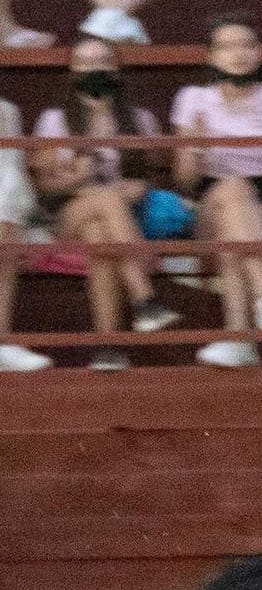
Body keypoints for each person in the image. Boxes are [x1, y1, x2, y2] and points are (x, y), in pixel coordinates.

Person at [31, 35, 183, 372]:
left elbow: (155, 175)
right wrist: (79, 178)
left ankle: (108, 347)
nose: (93, 69)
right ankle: (145, 299)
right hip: (69, 213)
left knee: (101, 237)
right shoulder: (54, 120)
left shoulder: (139, 119)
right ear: (72, 72)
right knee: (105, 199)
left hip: (122, 220)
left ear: (115, 69)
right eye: (85, 63)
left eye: (101, 62)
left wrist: (140, 186)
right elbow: (45, 187)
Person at [171, 11, 262, 368]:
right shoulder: (193, 98)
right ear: (211, 56)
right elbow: (183, 180)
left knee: (237, 229)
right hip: (212, 197)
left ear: (259, 53)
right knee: (233, 192)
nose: (238, 53)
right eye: (227, 46)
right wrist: (195, 146)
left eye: (247, 45)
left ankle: (239, 340)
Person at [0, 96, 51, 371]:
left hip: (7, 214)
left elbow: (13, 174)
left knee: (7, 233)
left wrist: (16, 218)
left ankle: (2, 341)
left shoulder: (9, 110)